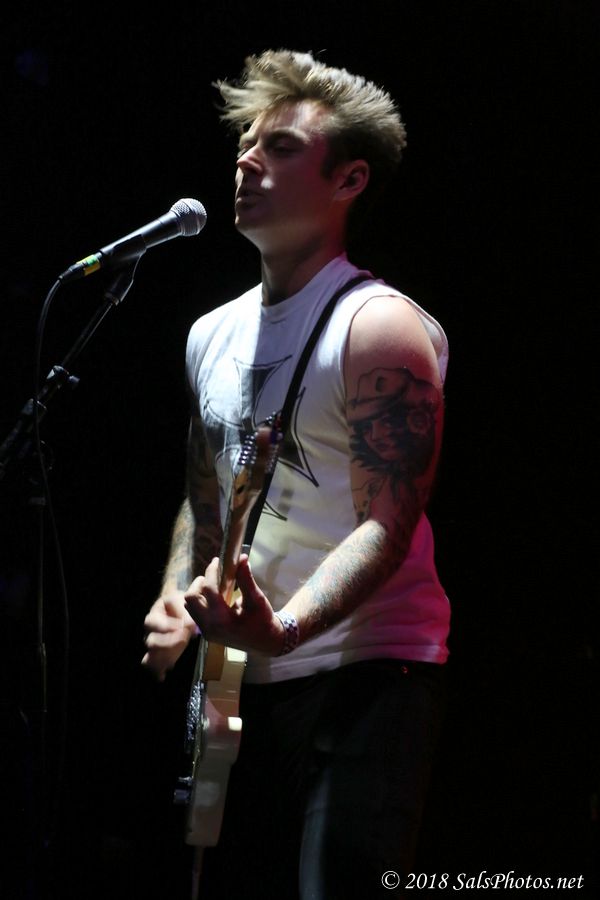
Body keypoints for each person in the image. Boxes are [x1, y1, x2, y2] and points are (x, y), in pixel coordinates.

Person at [142, 49, 450, 899]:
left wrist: (286, 628)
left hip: (368, 669)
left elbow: (388, 523)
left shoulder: (378, 326)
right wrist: (175, 595)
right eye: (246, 143)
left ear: (348, 179)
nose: (246, 160)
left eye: (279, 147)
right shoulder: (210, 334)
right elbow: (207, 494)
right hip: (241, 675)